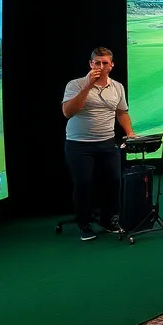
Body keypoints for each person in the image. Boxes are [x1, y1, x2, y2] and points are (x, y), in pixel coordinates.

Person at [61, 46, 137, 241]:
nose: (101, 66)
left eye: (105, 63)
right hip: (79, 144)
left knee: (113, 181)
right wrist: (88, 85)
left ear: (111, 65)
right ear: (90, 64)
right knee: (84, 183)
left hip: (107, 142)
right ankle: (84, 224)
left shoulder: (117, 87)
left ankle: (107, 219)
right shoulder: (75, 84)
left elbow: (121, 112)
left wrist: (129, 132)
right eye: (97, 63)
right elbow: (68, 112)